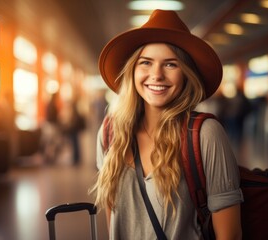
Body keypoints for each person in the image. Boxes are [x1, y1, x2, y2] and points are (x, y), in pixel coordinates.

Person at [90, 9, 243, 240]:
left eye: (171, 64)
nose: (156, 74)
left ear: (186, 74)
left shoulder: (205, 135)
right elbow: (114, 217)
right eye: (146, 62)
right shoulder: (111, 132)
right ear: (132, 70)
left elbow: (229, 235)